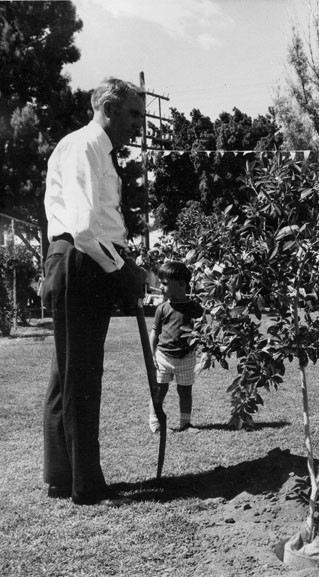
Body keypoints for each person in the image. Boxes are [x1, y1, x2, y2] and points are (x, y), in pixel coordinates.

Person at [42, 78, 147, 506]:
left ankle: (61, 477)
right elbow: (85, 229)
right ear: (107, 106)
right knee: (81, 378)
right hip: (80, 261)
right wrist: (124, 270)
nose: (139, 126)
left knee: (66, 376)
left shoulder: (96, 150)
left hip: (84, 261)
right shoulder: (85, 146)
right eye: (134, 114)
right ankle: (86, 485)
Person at [148, 261, 204, 433]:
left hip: (186, 358)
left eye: (164, 284)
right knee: (159, 391)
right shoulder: (162, 308)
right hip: (163, 357)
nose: (161, 287)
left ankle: (185, 423)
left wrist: (205, 354)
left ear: (181, 285)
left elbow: (204, 333)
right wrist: (152, 356)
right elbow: (155, 333)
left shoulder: (195, 308)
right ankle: (155, 423)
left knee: (185, 392)